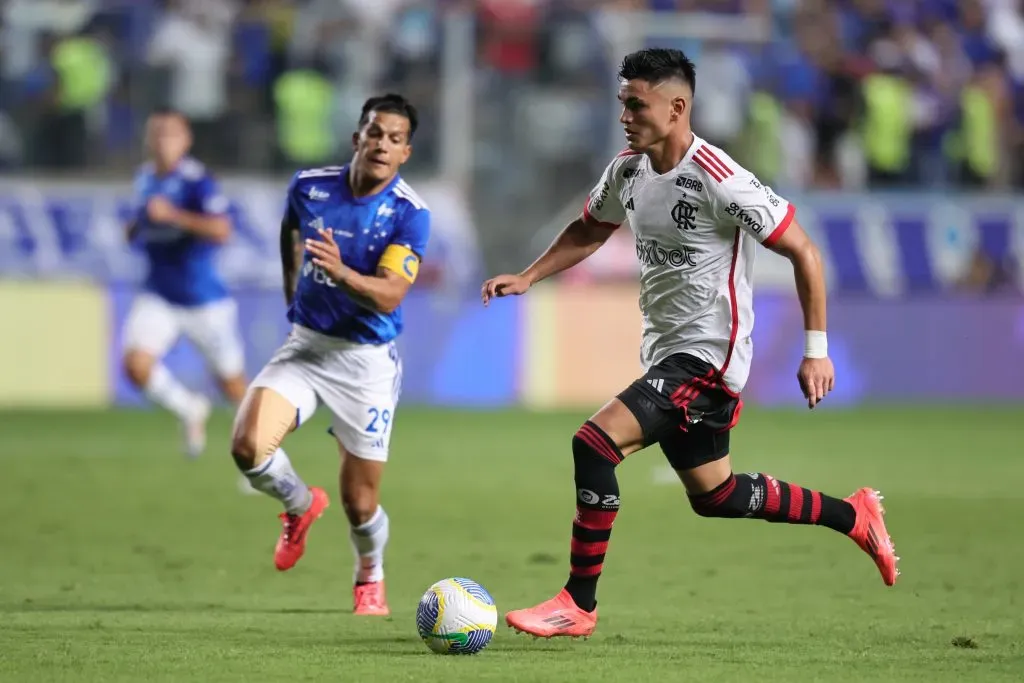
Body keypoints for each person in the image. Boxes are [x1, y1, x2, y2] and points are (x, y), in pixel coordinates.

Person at [481, 49, 899, 639]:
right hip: (667, 352)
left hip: (708, 357)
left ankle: (578, 603)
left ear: (677, 107)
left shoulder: (720, 178)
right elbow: (588, 229)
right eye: (622, 102)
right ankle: (854, 515)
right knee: (717, 494)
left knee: (594, 444)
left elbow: (803, 251)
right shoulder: (627, 171)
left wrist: (816, 348)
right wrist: (529, 275)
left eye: (636, 104)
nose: (624, 115)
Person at [230, 94, 430, 617]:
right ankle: (299, 504)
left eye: (394, 138)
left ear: (406, 151)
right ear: (356, 137)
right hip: (307, 346)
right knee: (248, 448)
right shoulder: (310, 186)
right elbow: (289, 230)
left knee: (360, 505)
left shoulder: (410, 214)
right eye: (374, 132)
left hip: (365, 361)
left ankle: (371, 573)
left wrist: (341, 272)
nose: (381, 144)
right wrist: (292, 291)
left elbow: (390, 294)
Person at [123, 107, 245, 458]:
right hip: (158, 294)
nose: (162, 142)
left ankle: (261, 456)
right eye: (156, 134)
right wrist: (135, 228)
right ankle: (189, 409)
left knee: (233, 385)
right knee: (135, 366)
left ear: (185, 140)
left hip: (203, 298)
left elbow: (222, 230)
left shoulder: (197, 180)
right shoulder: (144, 178)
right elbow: (142, 223)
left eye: (170, 134)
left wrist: (174, 215)